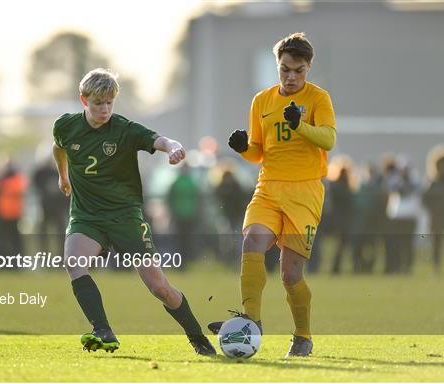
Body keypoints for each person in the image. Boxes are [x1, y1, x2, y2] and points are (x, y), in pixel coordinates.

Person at [52, 68, 215, 355]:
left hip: (125, 216)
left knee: (158, 287)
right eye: (98, 103)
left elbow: (159, 140)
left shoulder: (125, 130)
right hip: (86, 216)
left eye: (109, 103)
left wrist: (174, 146)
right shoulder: (66, 126)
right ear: (83, 100)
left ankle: (196, 336)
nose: (104, 110)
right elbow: (58, 147)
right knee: (74, 262)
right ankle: (102, 329)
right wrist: (63, 176)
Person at [208, 33, 336, 357]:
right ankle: (251, 321)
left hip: (305, 192)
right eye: (285, 70)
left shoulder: (319, 99)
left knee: (290, 273)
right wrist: (243, 148)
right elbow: (258, 151)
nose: (291, 77)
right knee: (251, 241)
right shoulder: (261, 101)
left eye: (298, 70)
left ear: (308, 69)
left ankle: (303, 336)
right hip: (268, 188)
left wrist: (300, 126)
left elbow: (328, 140)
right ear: (277, 66)